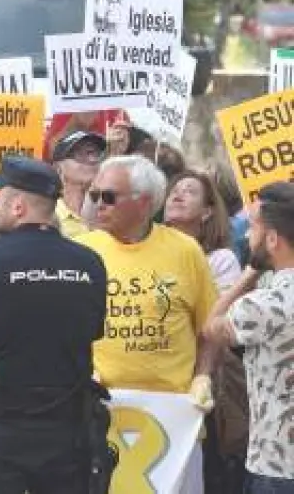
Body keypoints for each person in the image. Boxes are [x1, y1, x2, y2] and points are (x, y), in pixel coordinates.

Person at [0, 156, 107, 492]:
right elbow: (90, 332)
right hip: (67, 428)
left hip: (0, 427)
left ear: (17, 206)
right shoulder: (90, 263)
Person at [78, 155, 218, 491]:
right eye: (94, 195)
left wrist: (203, 376)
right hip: (99, 415)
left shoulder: (186, 251)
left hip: (173, 422)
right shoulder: (82, 252)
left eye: (109, 196)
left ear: (143, 203)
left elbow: (210, 329)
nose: (98, 204)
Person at [203, 182, 294, 488]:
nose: (245, 236)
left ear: (272, 239)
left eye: (253, 227)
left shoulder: (262, 305)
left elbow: (211, 327)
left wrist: (249, 273)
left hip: (277, 466)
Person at [165, 170, 244, 291]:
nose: (179, 194)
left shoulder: (221, 260)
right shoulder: (149, 250)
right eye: (174, 191)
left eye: (190, 191)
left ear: (206, 212)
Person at [51, 130, 106, 239]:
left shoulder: (110, 210)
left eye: (95, 154)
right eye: (79, 154)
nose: (92, 160)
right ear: (58, 168)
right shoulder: (50, 216)